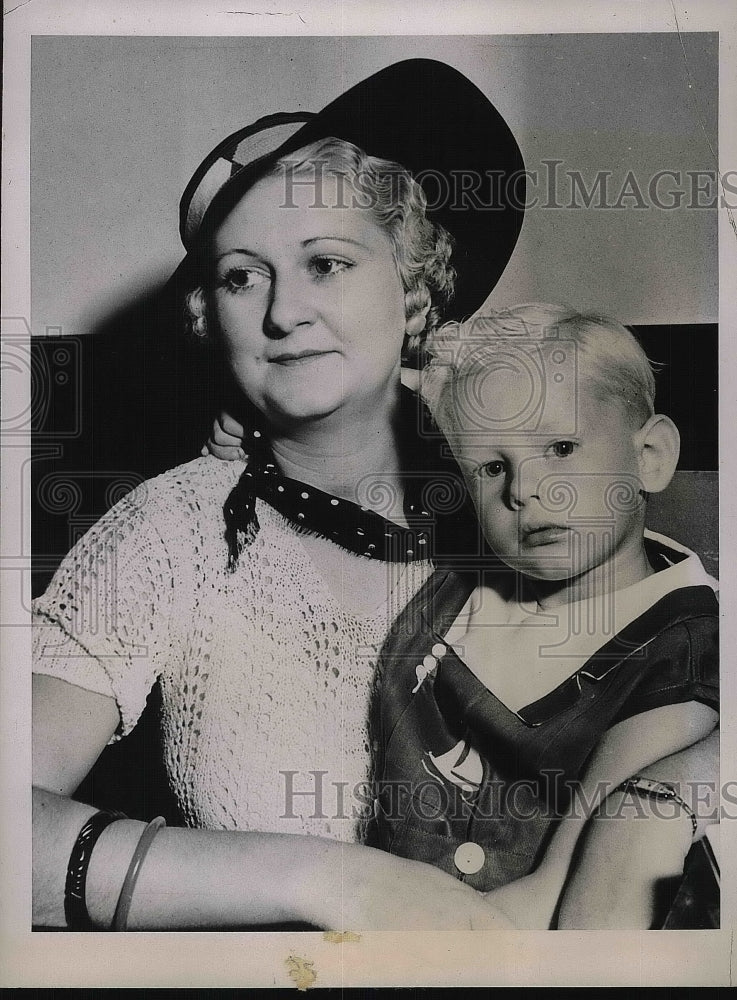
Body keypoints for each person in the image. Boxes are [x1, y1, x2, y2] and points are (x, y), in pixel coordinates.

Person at [32, 58, 527, 932]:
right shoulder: (171, 530)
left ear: (414, 292)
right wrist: (329, 883)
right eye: (241, 276)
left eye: (326, 263)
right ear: (208, 321)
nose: (282, 312)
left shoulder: (536, 491)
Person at [369, 305, 719, 928]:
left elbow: (552, 900)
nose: (523, 489)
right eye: (492, 467)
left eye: (559, 447)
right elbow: (342, 420)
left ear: (651, 456)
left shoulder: (683, 652)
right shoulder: (458, 576)